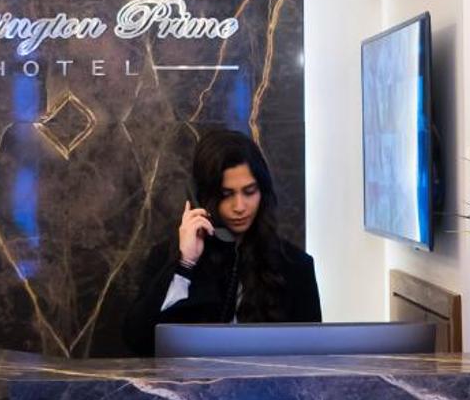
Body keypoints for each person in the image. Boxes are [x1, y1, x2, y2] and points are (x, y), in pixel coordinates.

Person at [123, 127, 321, 356]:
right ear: (203, 197)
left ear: (262, 192)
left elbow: (311, 362)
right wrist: (185, 264)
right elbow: (136, 341)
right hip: (189, 389)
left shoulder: (297, 266)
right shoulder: (168, 257)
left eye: (249, 191)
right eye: (227, 195)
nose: (239, 207)